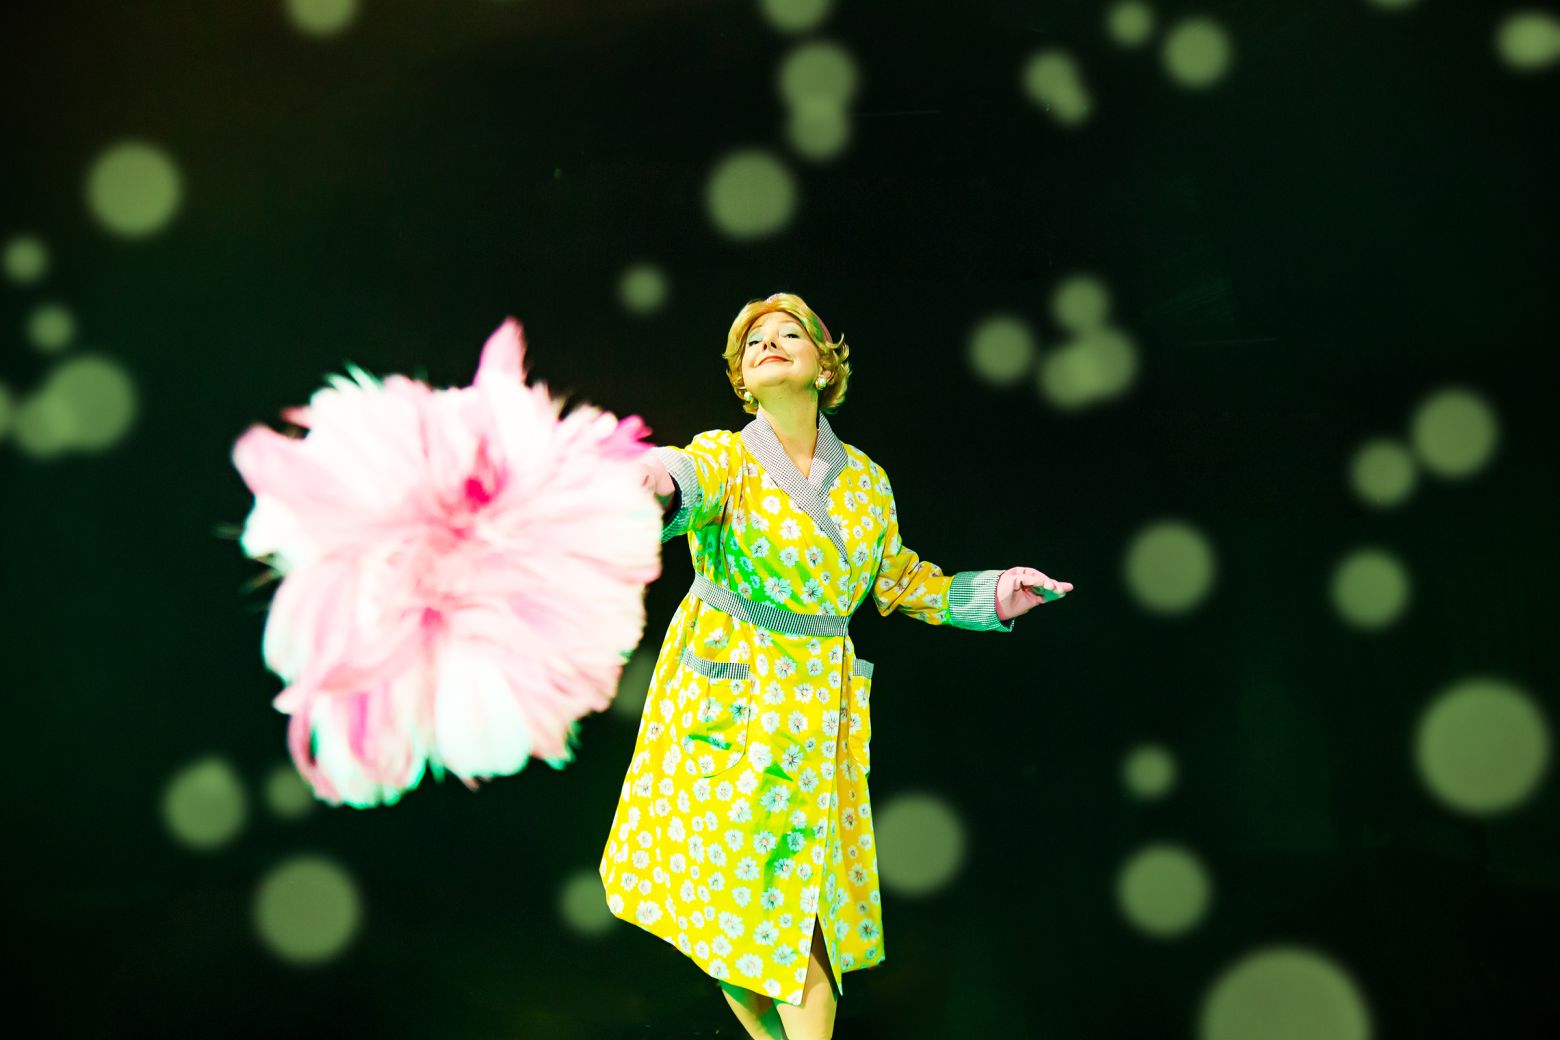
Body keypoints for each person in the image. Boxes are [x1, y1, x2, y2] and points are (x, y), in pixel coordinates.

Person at [600, 292, 1072, 1040]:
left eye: (791, 334)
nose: (769, 344)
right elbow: (681, 477)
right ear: (742, 379)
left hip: (818, 714)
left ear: (825, 366)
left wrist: (995, 596)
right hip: (727, 707)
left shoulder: (867, 484)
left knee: (797, 919)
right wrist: (650, 480)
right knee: (732, 911)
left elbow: (901, 582)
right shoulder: (725, 455)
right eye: (754, 341)